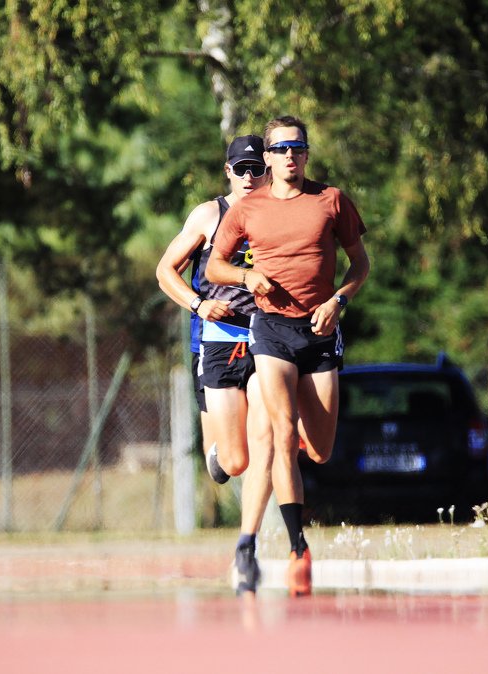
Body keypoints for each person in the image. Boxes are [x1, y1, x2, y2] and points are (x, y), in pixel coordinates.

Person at [206, 115, 371, 596]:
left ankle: (288, 456)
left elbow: (360, 263)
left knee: (317, 449)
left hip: (319, 332)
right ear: (269, 156)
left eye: (297, 148)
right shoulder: (248, 207)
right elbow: (216, 263)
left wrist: (338, 301)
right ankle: (279, 546)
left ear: (306, 153)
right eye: (280, 149)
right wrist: (245, 278)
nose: (289, 157)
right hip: (272, 330)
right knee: (278, 433)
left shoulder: (331, 200)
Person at [156, 134, 273, 594]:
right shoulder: (209, 215)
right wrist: (199, 305)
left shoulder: (279, 214)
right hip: (218, 337)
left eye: (255, 169)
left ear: (267, 171)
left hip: (268, 337)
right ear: (227, 171)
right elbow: (166, 270)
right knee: (235, 461)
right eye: (240, 169)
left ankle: (254, 543)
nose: (249, 177)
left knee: (268, 437)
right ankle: (219, 449)